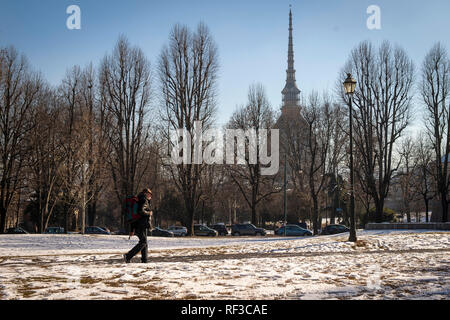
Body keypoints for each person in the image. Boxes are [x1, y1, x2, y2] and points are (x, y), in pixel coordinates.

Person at [123, 188, 153, 263]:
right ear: (146, 193)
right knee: (143, 242)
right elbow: (140, 211)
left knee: (144, 242)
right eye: (150, 194)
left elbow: (135, 214)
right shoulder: (143, 199)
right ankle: (128, 255)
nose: (151, 196)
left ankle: (144, 260)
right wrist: (149, 213)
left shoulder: (139, 199)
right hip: (141, 224)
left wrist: (132, 229)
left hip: (138, 224)